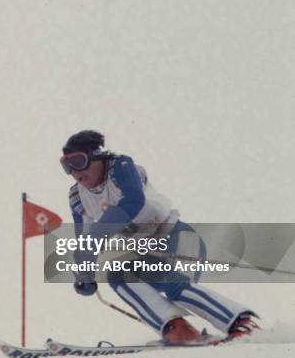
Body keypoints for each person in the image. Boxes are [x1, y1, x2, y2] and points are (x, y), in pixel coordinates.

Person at [61, 130, 259, 344]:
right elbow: (85, 240)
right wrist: (84, 272)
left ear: (98, 156)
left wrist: (97, 236)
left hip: (177, 237)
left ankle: (240, 322)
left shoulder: (120, 167)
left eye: (79, 162)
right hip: (150, 253)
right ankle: (177, 329)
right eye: (66, 165)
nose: (74, 172)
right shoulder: (77, 197)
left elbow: (132, 201)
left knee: (175, 284)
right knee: (118, 276)